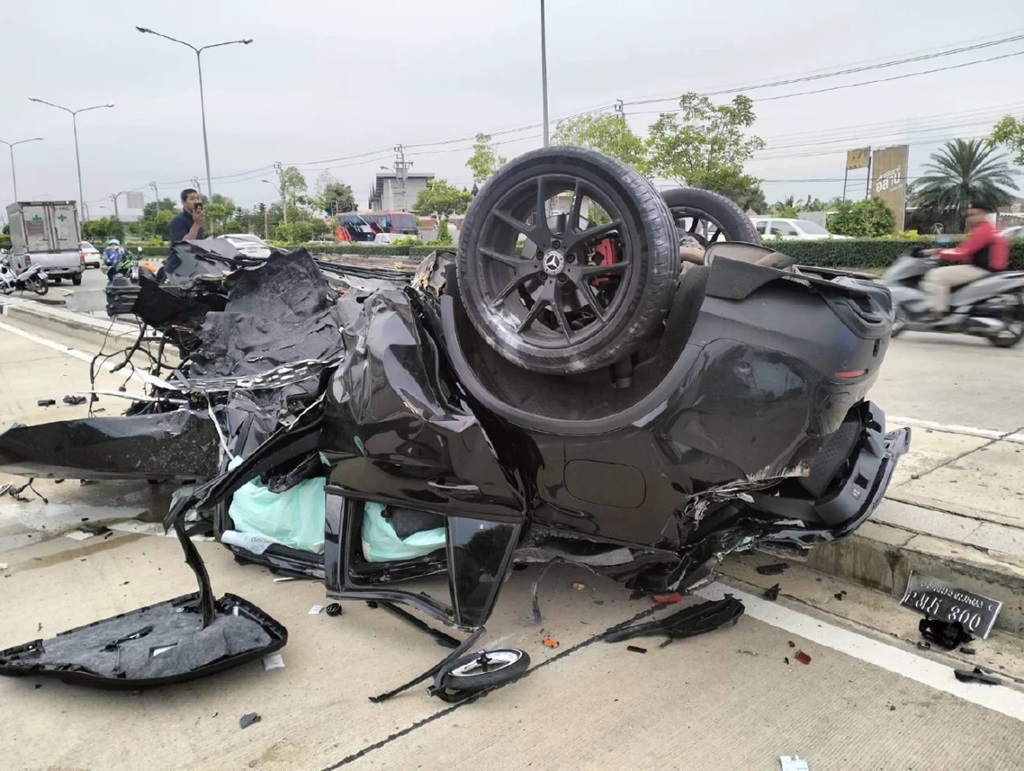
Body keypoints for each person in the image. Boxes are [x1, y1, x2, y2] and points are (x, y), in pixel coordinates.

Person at [919, 203, 1009, 320]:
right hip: (988, 270)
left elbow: (962, 252)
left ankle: (938, 312)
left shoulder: (982, 231)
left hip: (980, 270)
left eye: (974, 214)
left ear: (984, 215)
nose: (971, 218)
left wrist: (937, 252)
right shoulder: (989, 229)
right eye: (969, 215)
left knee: (936, 275)